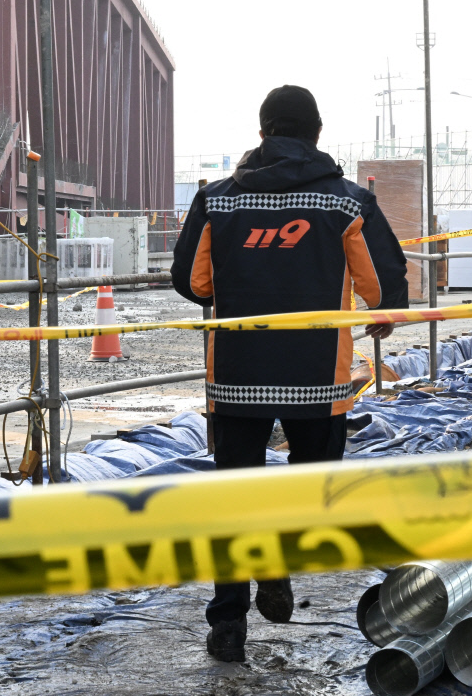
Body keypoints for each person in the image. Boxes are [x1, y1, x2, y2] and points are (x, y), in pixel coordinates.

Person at [171, 85, 408, 663]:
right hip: (317, 384)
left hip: (236, 378)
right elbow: (383, 287)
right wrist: (383, 315)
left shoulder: (217, 200)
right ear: (318, 135)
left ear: (261, 133)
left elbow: (192, 284)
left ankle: (227, 625)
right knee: (311, 492)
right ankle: (277, 560)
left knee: (234, 500)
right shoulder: (349, 204)